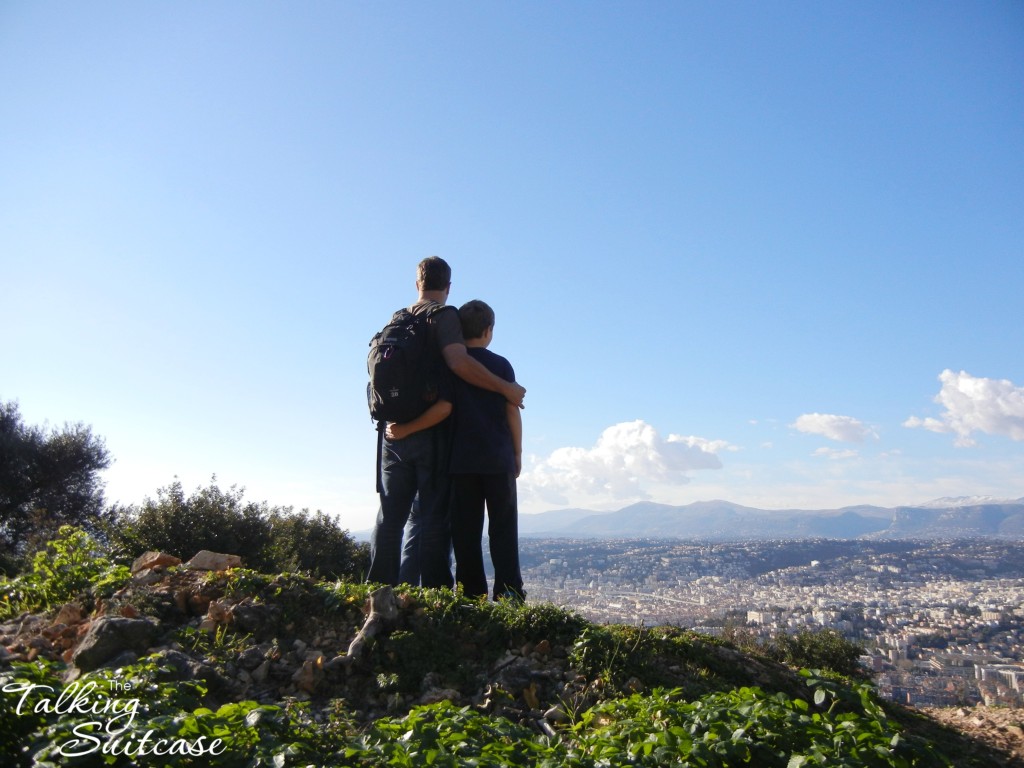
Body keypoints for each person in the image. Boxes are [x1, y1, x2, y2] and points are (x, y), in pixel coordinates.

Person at [367, 257, 526, 589]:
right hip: (437, 436)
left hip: (393, 432)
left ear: (417, 284)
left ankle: (380, 589)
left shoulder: (398, 318)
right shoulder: (445, 318)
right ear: (448, 287)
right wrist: (506, 390)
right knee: (437, 519)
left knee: (392, 517)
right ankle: (438, 592)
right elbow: (458, 366)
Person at [448, 299, 525, 601]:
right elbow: (512, 412)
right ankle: (509, 596)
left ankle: (471, 597)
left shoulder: (452, 364)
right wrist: (517, 453)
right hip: (497, 457)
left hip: (461, 460)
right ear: (488, 330)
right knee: (503, 530)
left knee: (466, 533)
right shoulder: (501, 365)